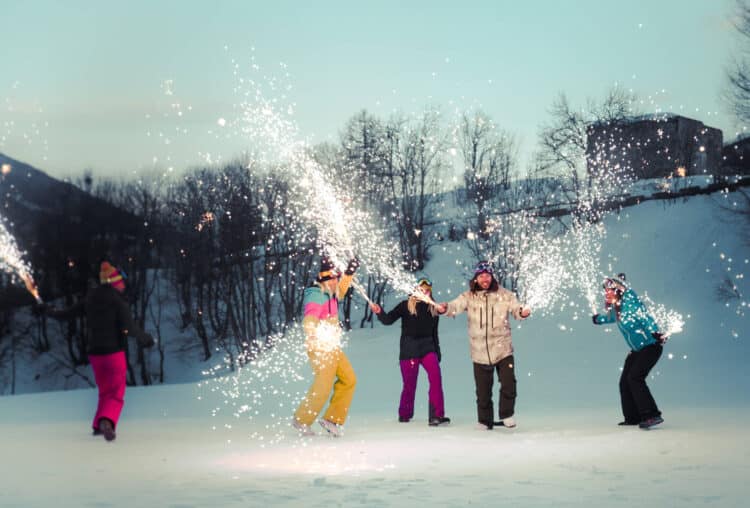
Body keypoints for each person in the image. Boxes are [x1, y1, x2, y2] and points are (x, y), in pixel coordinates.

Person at [46, 261, 154, 441]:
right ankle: (107, 421)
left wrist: (48, 310)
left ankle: (98, 425)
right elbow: (128, 327)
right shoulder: (118, 301)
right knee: (117, 392)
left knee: (105, 391)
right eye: (121, 281)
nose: (123, 285)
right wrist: (146, 339)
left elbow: (65, 315)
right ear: (114, 282)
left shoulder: (90, 298)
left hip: (95, 354)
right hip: (113, 353)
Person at [436, 261, 530, 430]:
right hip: (479, 350)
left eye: (487, 275)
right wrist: (445, 308)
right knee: (483, 391)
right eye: (481, 276)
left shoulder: (505, 295)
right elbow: (454, 306)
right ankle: (484, 421)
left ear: (492, 276)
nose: (484, 279)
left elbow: (517, 308)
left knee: (509, 384)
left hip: (503, 348)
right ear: (476, 278)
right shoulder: (469, 296)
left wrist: (522, 312)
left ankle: (507, 415)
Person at [369, 276, 450, 426]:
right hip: (409, 350)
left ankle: (436, 415)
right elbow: (388, 320)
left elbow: (434, 333)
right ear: (415, 290)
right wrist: (379, 312)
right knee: (409, 384)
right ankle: (404, 414)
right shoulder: (405, 305)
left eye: (427, 290)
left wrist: (437, 352)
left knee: (436, 377)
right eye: (421, 289)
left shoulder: (433, 308)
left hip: (427, 348)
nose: (424, 292)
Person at [293, 256, 359, 437]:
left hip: (332, 346)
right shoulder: (316, 294)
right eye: (333, 278)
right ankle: (302, 420)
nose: (336, 282)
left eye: (337, 278)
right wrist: (311, 331)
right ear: (325, 279)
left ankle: (332, 420)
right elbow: (310, 316)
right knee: (323, 386)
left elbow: (342, 290)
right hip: (320, 346)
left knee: (349, 379)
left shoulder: (332, 292)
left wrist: (349, 273)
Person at [592, 273, 666, 429]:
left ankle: (652, 415)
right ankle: (633, 417)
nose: (607, 293)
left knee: (635, 378)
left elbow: (646, 318)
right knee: (624, 382)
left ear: (618, 289)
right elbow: (611, 318)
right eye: (606, 291)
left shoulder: (631, 303)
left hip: (651, 346)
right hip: (636, 350)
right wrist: (598, 319)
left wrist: (655, 332)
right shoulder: (618, 308)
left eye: (610, 290)